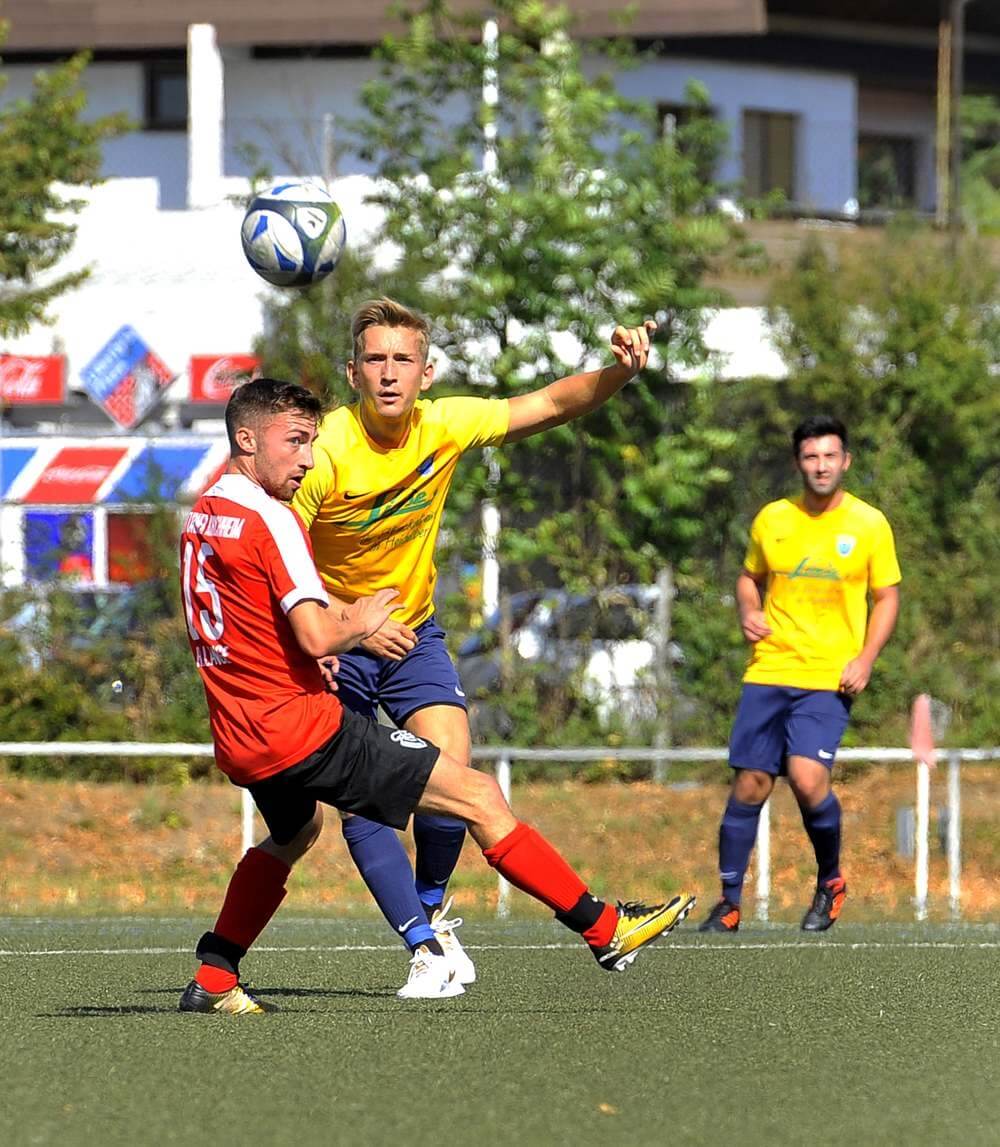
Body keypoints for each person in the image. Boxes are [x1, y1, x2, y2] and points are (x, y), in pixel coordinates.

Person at [177, 377, 695, 1015]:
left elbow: (246, 620)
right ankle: (605, 929)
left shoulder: (204, 512)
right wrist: (360, 621)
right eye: (295, 442)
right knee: (476, 794)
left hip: (239, 733)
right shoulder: (271, 518)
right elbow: (315, 633)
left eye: (312, 441)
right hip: (299, 728)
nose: (308, 459)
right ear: (246, 439)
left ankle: (215, 975)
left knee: (297, 829)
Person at [292, 297, 660, 995]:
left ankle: (431, 909)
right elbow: (279, 557)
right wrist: (344, 622)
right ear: (352, 372)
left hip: (413, 633)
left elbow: (550, 404)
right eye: (376, 359)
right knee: (366, 798)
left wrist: (619, 374)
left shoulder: (446, 423)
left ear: (427, 373)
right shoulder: (326, 451)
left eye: (404, 359)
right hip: (335, 643)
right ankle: (423, 948)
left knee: (451, 775)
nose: (390, 373)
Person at [699, 415, 900, 934]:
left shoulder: (868, 523)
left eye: (830, 456)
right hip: (770, 669)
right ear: (798, 463)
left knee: (809, 779)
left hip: (828, 677)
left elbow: (887, 597)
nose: (821, 466)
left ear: (846, 461)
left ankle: (830, 880)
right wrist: (747, 609)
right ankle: (729, 903)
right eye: (811, 457)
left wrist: (866, 658)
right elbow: (749, 578)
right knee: (751, 782)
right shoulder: (773, 519)